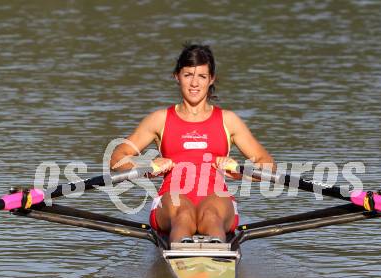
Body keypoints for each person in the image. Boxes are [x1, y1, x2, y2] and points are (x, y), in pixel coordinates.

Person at [110, 43, 274, 243]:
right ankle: (185, 253)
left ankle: (214, 260)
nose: (194, 83)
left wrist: (240, 170)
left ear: (211, 79)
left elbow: (268, 165)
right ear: (177, 76)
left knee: (211, 215)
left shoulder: (228, 120)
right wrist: (147, 167)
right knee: (184, 216)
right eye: (188, 75)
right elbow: (117, 158)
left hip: (216, 196)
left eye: (202, 76)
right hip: (173, 198)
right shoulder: (159, 119)